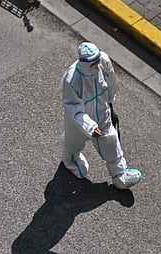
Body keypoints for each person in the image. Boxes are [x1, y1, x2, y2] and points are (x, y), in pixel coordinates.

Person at [60, 42, 141, 189]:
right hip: (79, 122)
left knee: (111, 141)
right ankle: (71, 160)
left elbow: (111, 83)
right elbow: (72, 107)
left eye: (97, 59)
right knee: (73, 143)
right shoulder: (71, 79)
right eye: (93, 62)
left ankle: (120, 175)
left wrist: (111, 105)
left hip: (103, 113)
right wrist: (89, 127)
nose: (97, 64)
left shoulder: (104, 60)